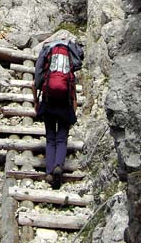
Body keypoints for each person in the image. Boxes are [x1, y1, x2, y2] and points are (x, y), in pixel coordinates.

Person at [32, 34, 82, 189]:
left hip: (48, 100)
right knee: (62, 138)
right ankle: (58, 166)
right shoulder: (69, 59)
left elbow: (35, 83)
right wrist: (73, 111)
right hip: (65, 101)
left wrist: (36, 102)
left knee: (50, 138)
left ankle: (48, 171)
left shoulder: (47, 54)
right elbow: (72, 89)